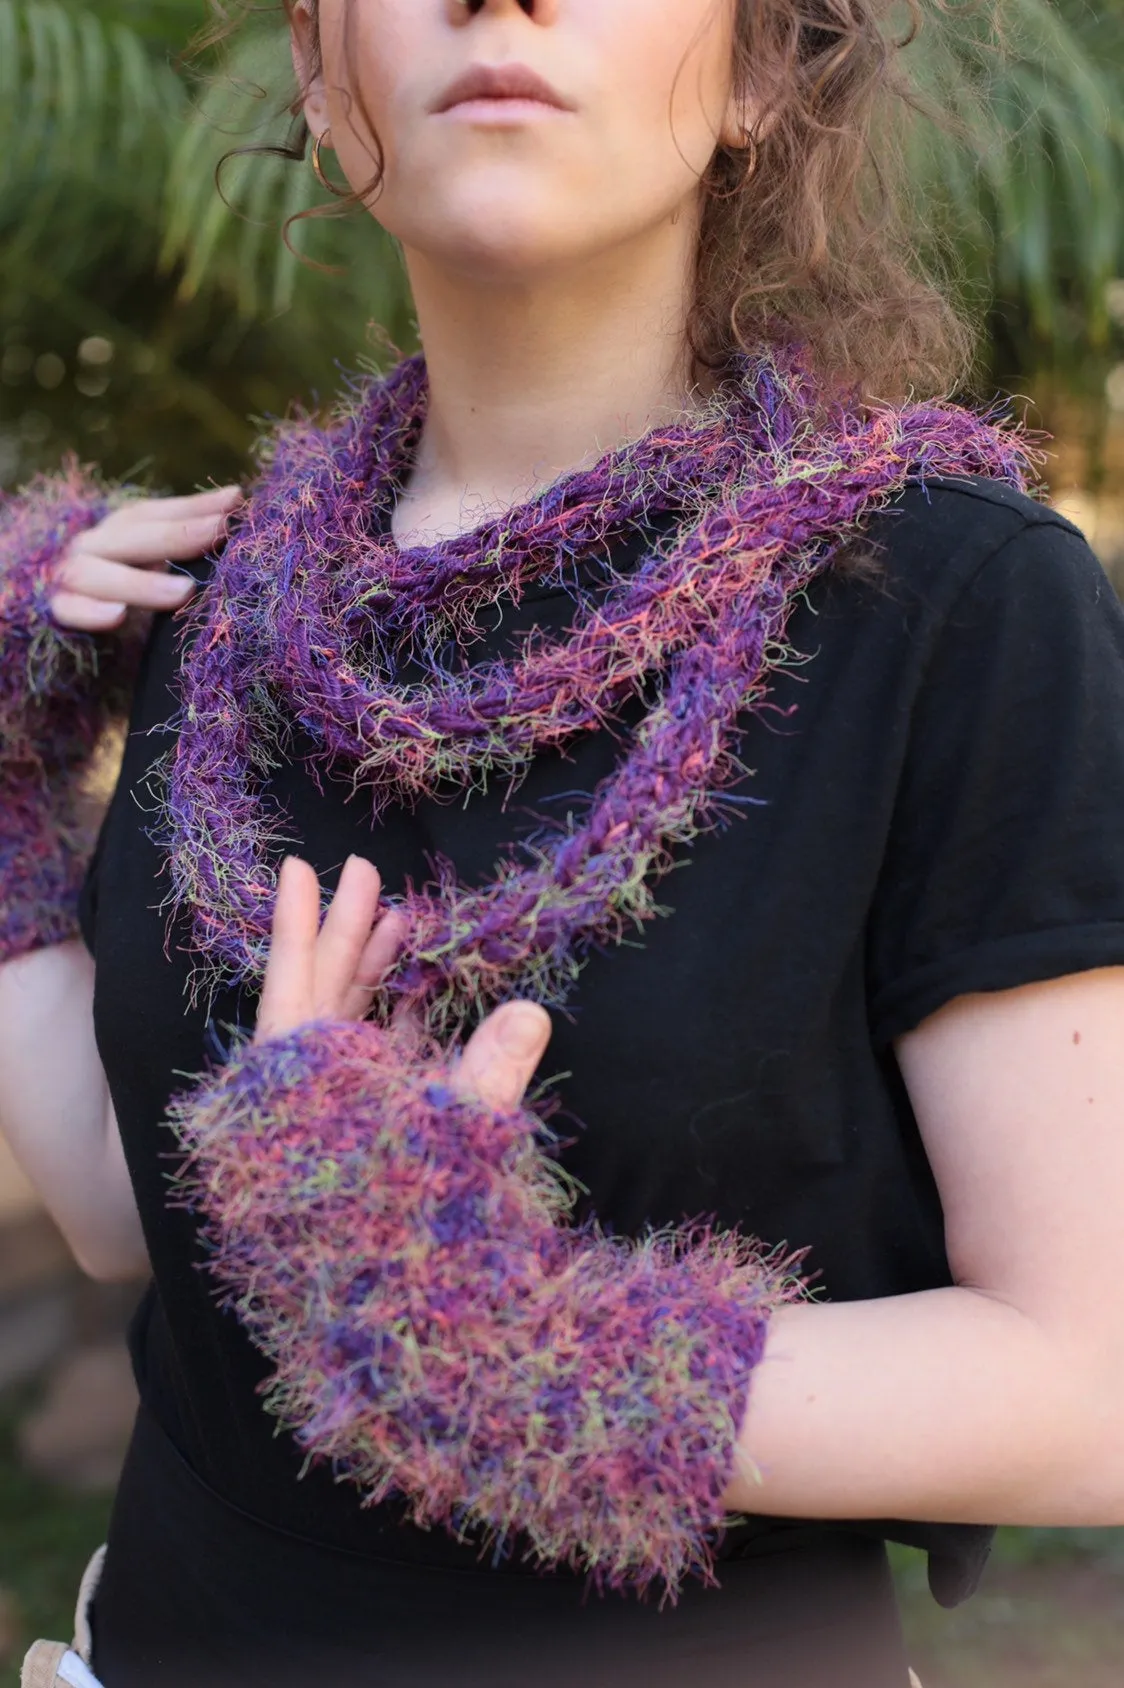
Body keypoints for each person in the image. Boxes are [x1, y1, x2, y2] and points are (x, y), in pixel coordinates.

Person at [3, 2, 1124, 1685]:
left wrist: (487, 1347)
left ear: (756, 73)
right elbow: (117, 1208)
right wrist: (9, 779)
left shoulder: (956, 601)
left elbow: (1088, 1388)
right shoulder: (226, 604)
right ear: (321, 72)